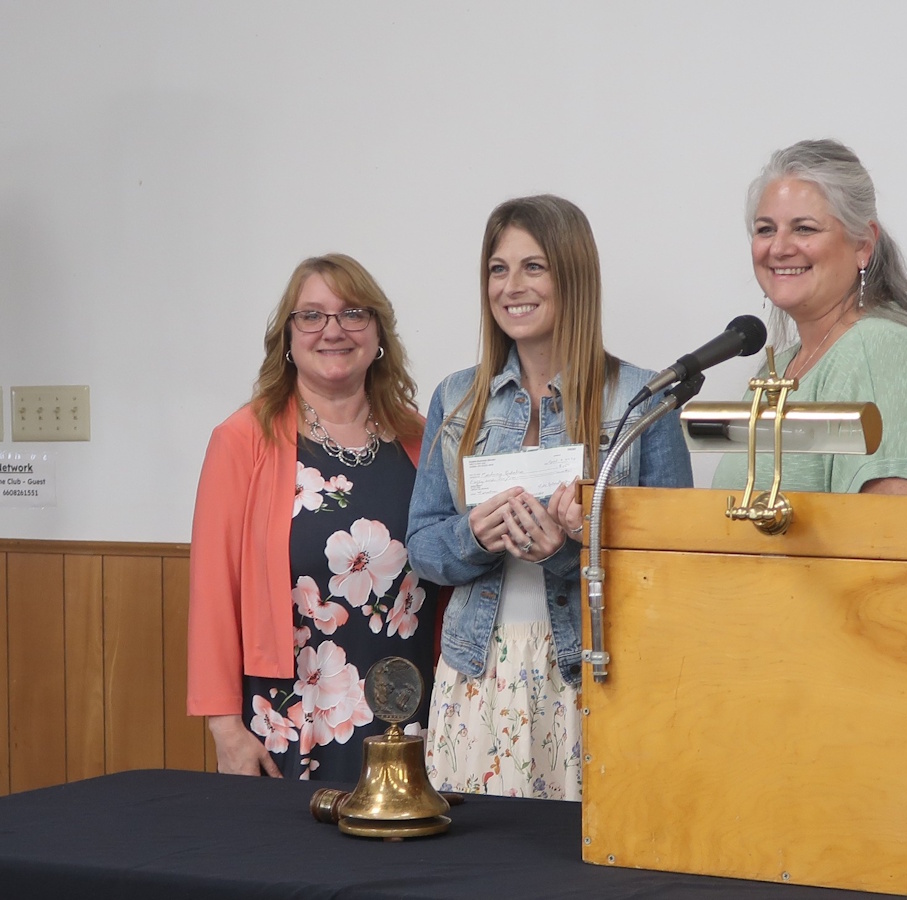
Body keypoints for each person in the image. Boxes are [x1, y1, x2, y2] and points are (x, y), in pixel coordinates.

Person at [406, 195, 694, 801]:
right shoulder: (456, 397)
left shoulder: (644, 400)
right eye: (498, 269)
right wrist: (473, 536)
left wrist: (571, 549)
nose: (511, 286)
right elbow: (423, 547)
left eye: (533, 267)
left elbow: (675, 564)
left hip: (594, 672)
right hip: (476, 673)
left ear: (573, 275)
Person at [187, 253, 438, 780]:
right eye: (311, 315)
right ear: (288, 336)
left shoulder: (422, 438)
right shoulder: (242, 440)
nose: (333, 330)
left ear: (378, 334)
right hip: (291, 717)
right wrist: (225, 729)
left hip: (416, 716)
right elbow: (213, 591)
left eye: (353, 313)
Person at [712, 139, 907, 495]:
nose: (779, 248)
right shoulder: (778, 368)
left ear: (862, 244)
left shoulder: (881, 352)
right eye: (766, 229)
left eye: (804, 228)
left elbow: (893, 524)